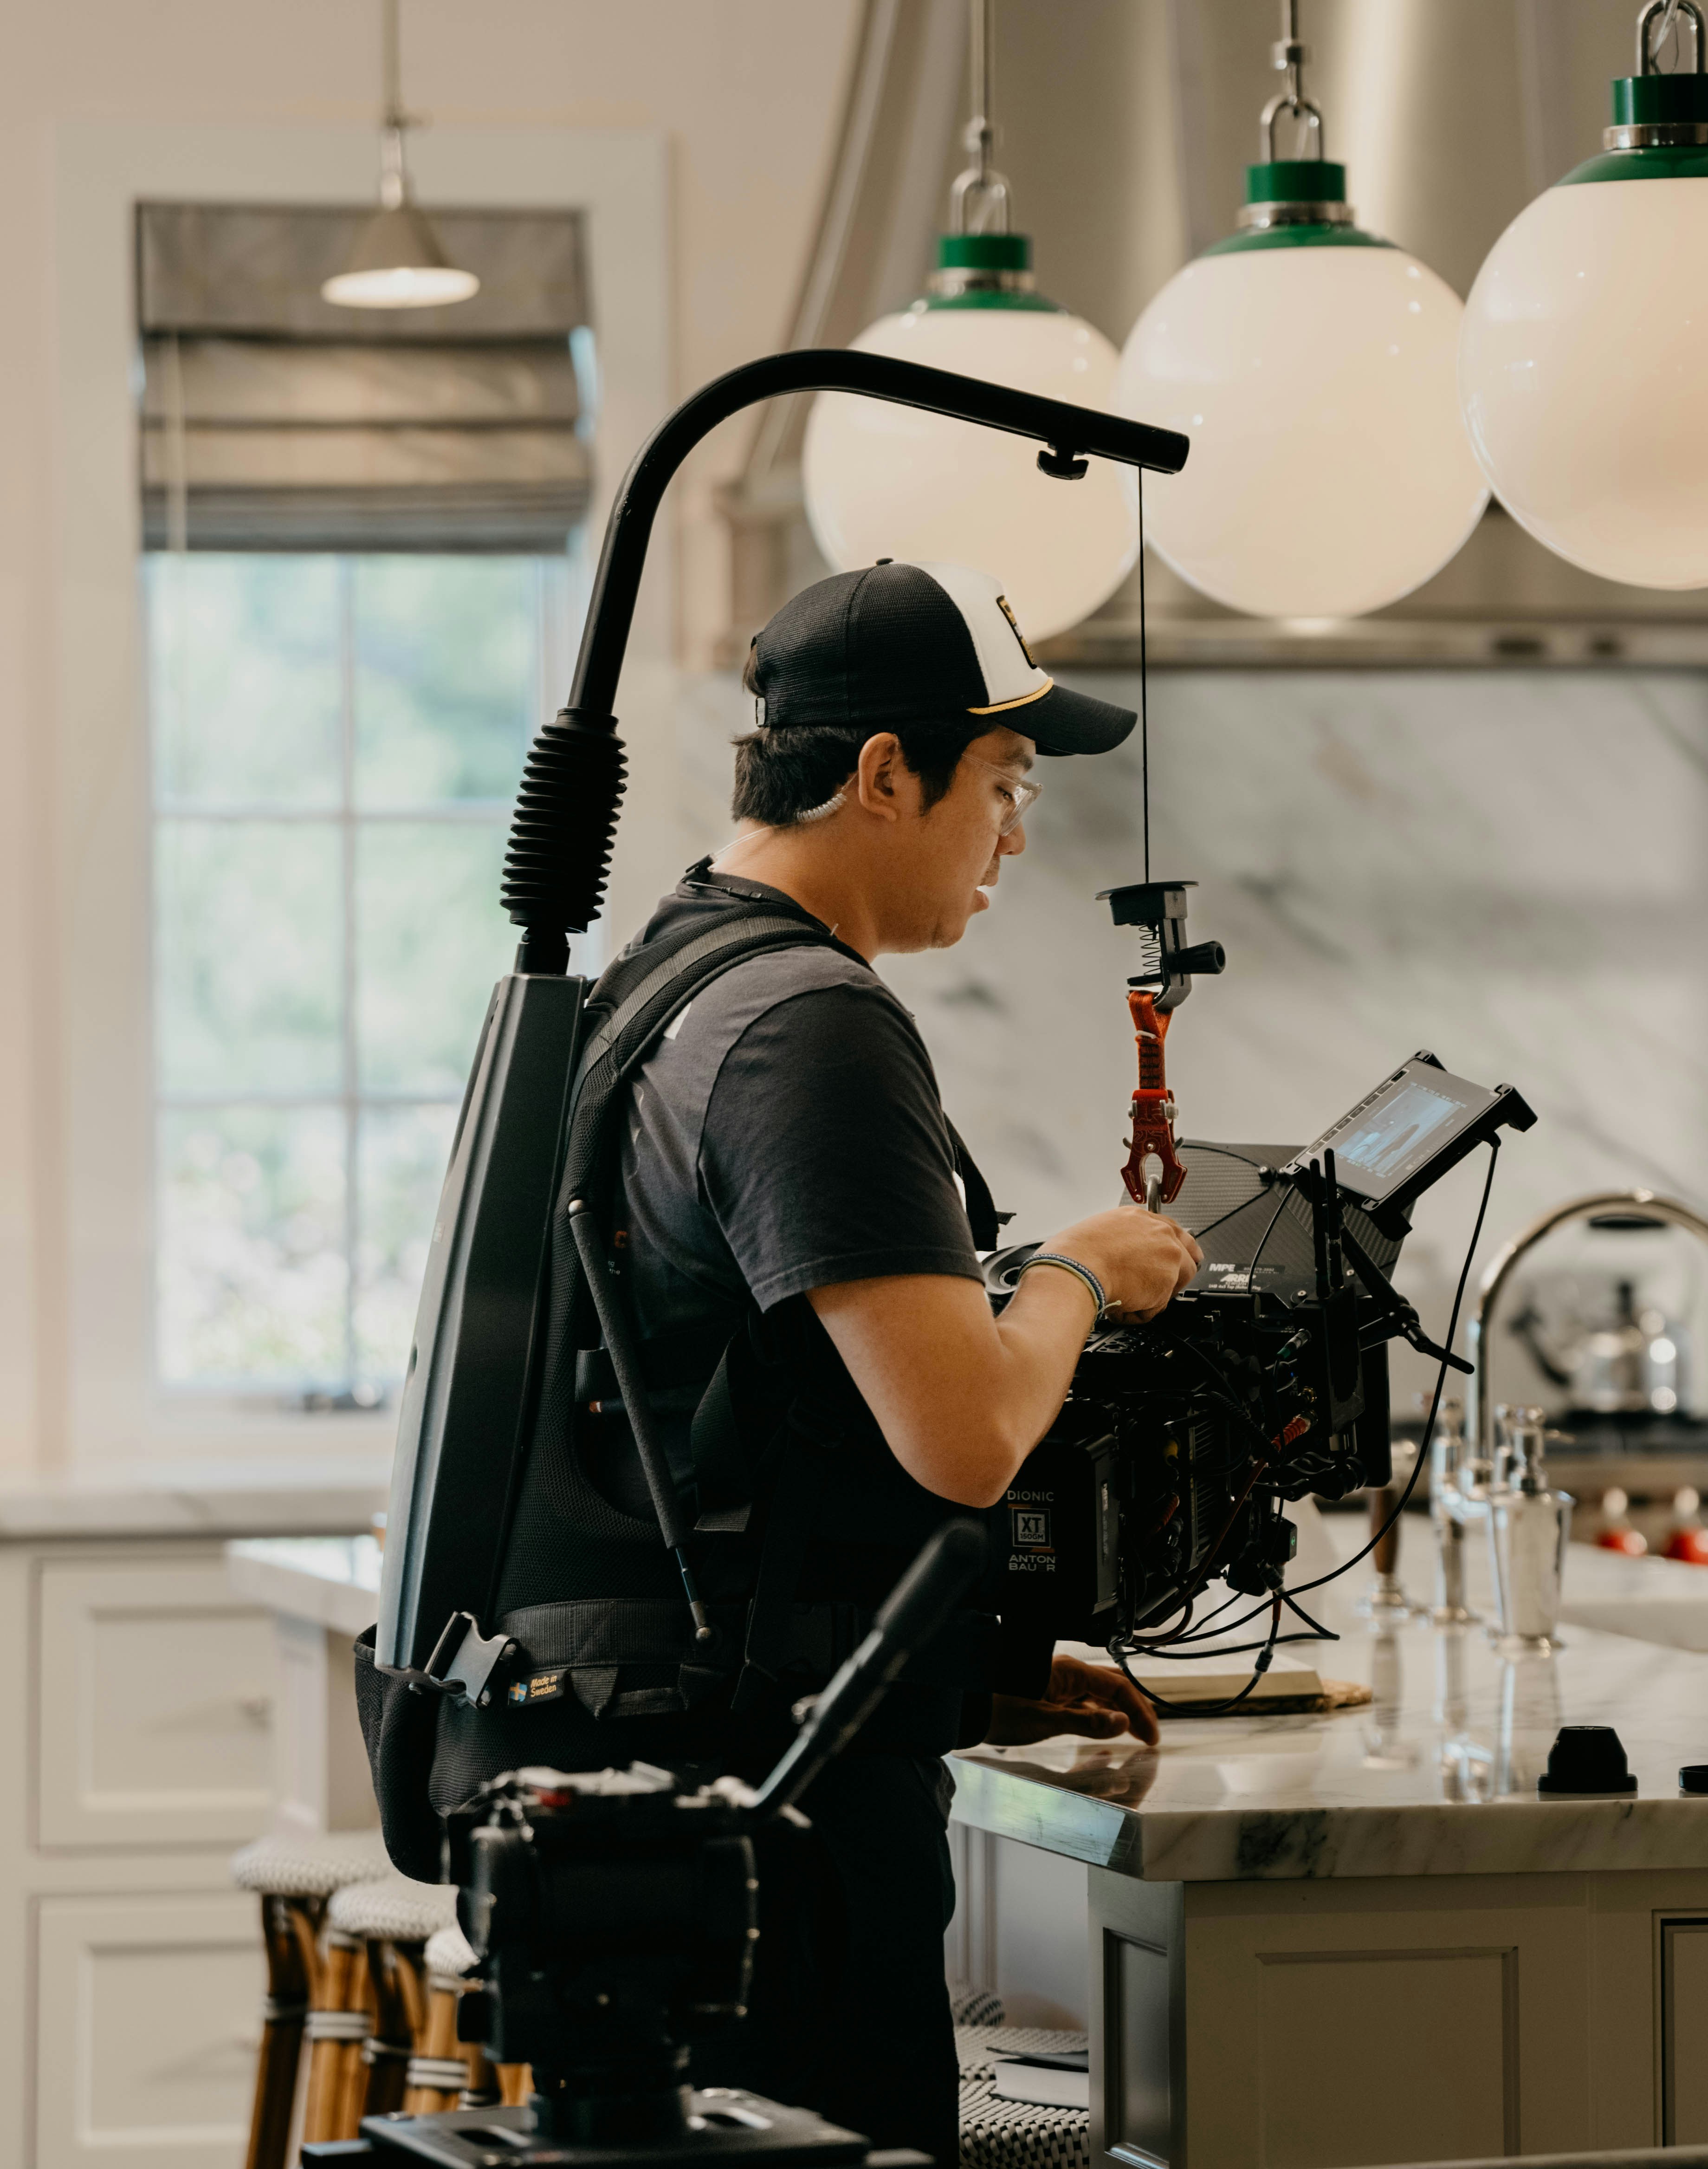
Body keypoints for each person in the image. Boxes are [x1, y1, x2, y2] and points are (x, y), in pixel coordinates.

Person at [465, 560, 1204, 2167]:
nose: (1015, 833)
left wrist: (970, 1666)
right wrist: (1087, 1264)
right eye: (1002, 785)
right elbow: (962, 1436)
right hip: (767, 1809)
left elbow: (720, 1414)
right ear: (885, 774)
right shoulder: (812, 1024)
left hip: (660, 1765)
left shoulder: (673, 974)